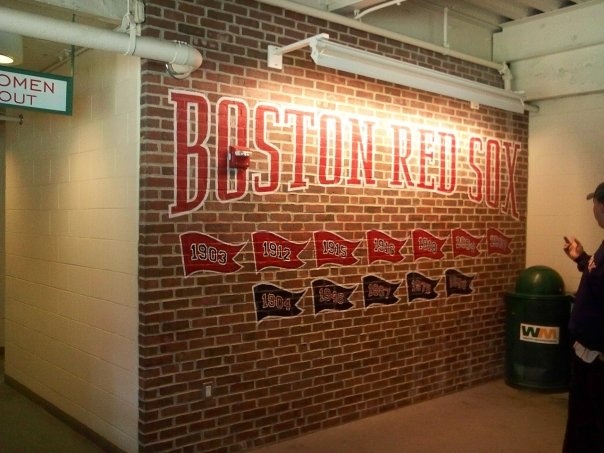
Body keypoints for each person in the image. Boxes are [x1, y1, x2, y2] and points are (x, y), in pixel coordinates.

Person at [562, 181, 604, 453]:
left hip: (597, 356)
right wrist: (581, 259)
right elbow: (597, 277)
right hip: (588, 353)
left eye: (595, 203)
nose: (593, 209)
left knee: (592, 424)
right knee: (583, 422)